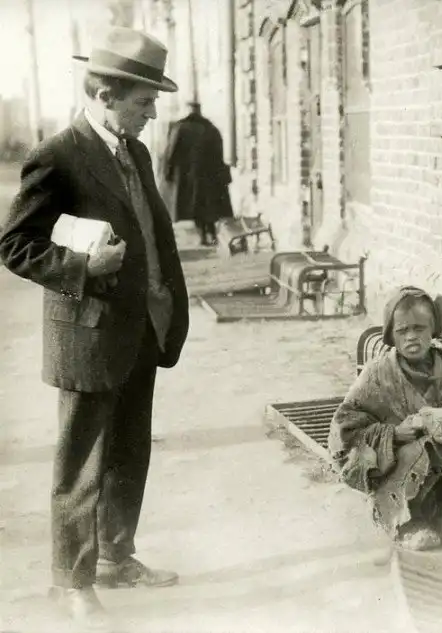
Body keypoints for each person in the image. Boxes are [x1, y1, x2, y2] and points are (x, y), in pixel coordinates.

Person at [0, 27, 189, 628]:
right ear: (106, 94)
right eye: (144, 101)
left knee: (130, 452)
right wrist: (82, 267)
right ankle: (71, 583)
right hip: (89, 332)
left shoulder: (136, 151)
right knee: (81, 465)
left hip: (144, 325)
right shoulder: (58, 155)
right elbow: (14, 245)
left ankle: (115, 558)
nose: (153, 113)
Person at [327, 286, 442, 551]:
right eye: (403, 331)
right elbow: (345, 428)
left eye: (419, 328)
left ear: (433, 330)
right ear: (392, 336)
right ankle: (408, 523)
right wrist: (393, 434)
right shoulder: (378, 375)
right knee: (421, 453)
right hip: (401, 471)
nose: (411, 337)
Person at [162, 101, 233, 246]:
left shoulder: (180, 128)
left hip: (189, 177)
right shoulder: (210, 128)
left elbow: (171, 152)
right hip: (210, 177)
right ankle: (211, 234)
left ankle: (204, 236)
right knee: (208, 207)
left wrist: (168, 173)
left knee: (196, 208)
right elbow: (219, 154)